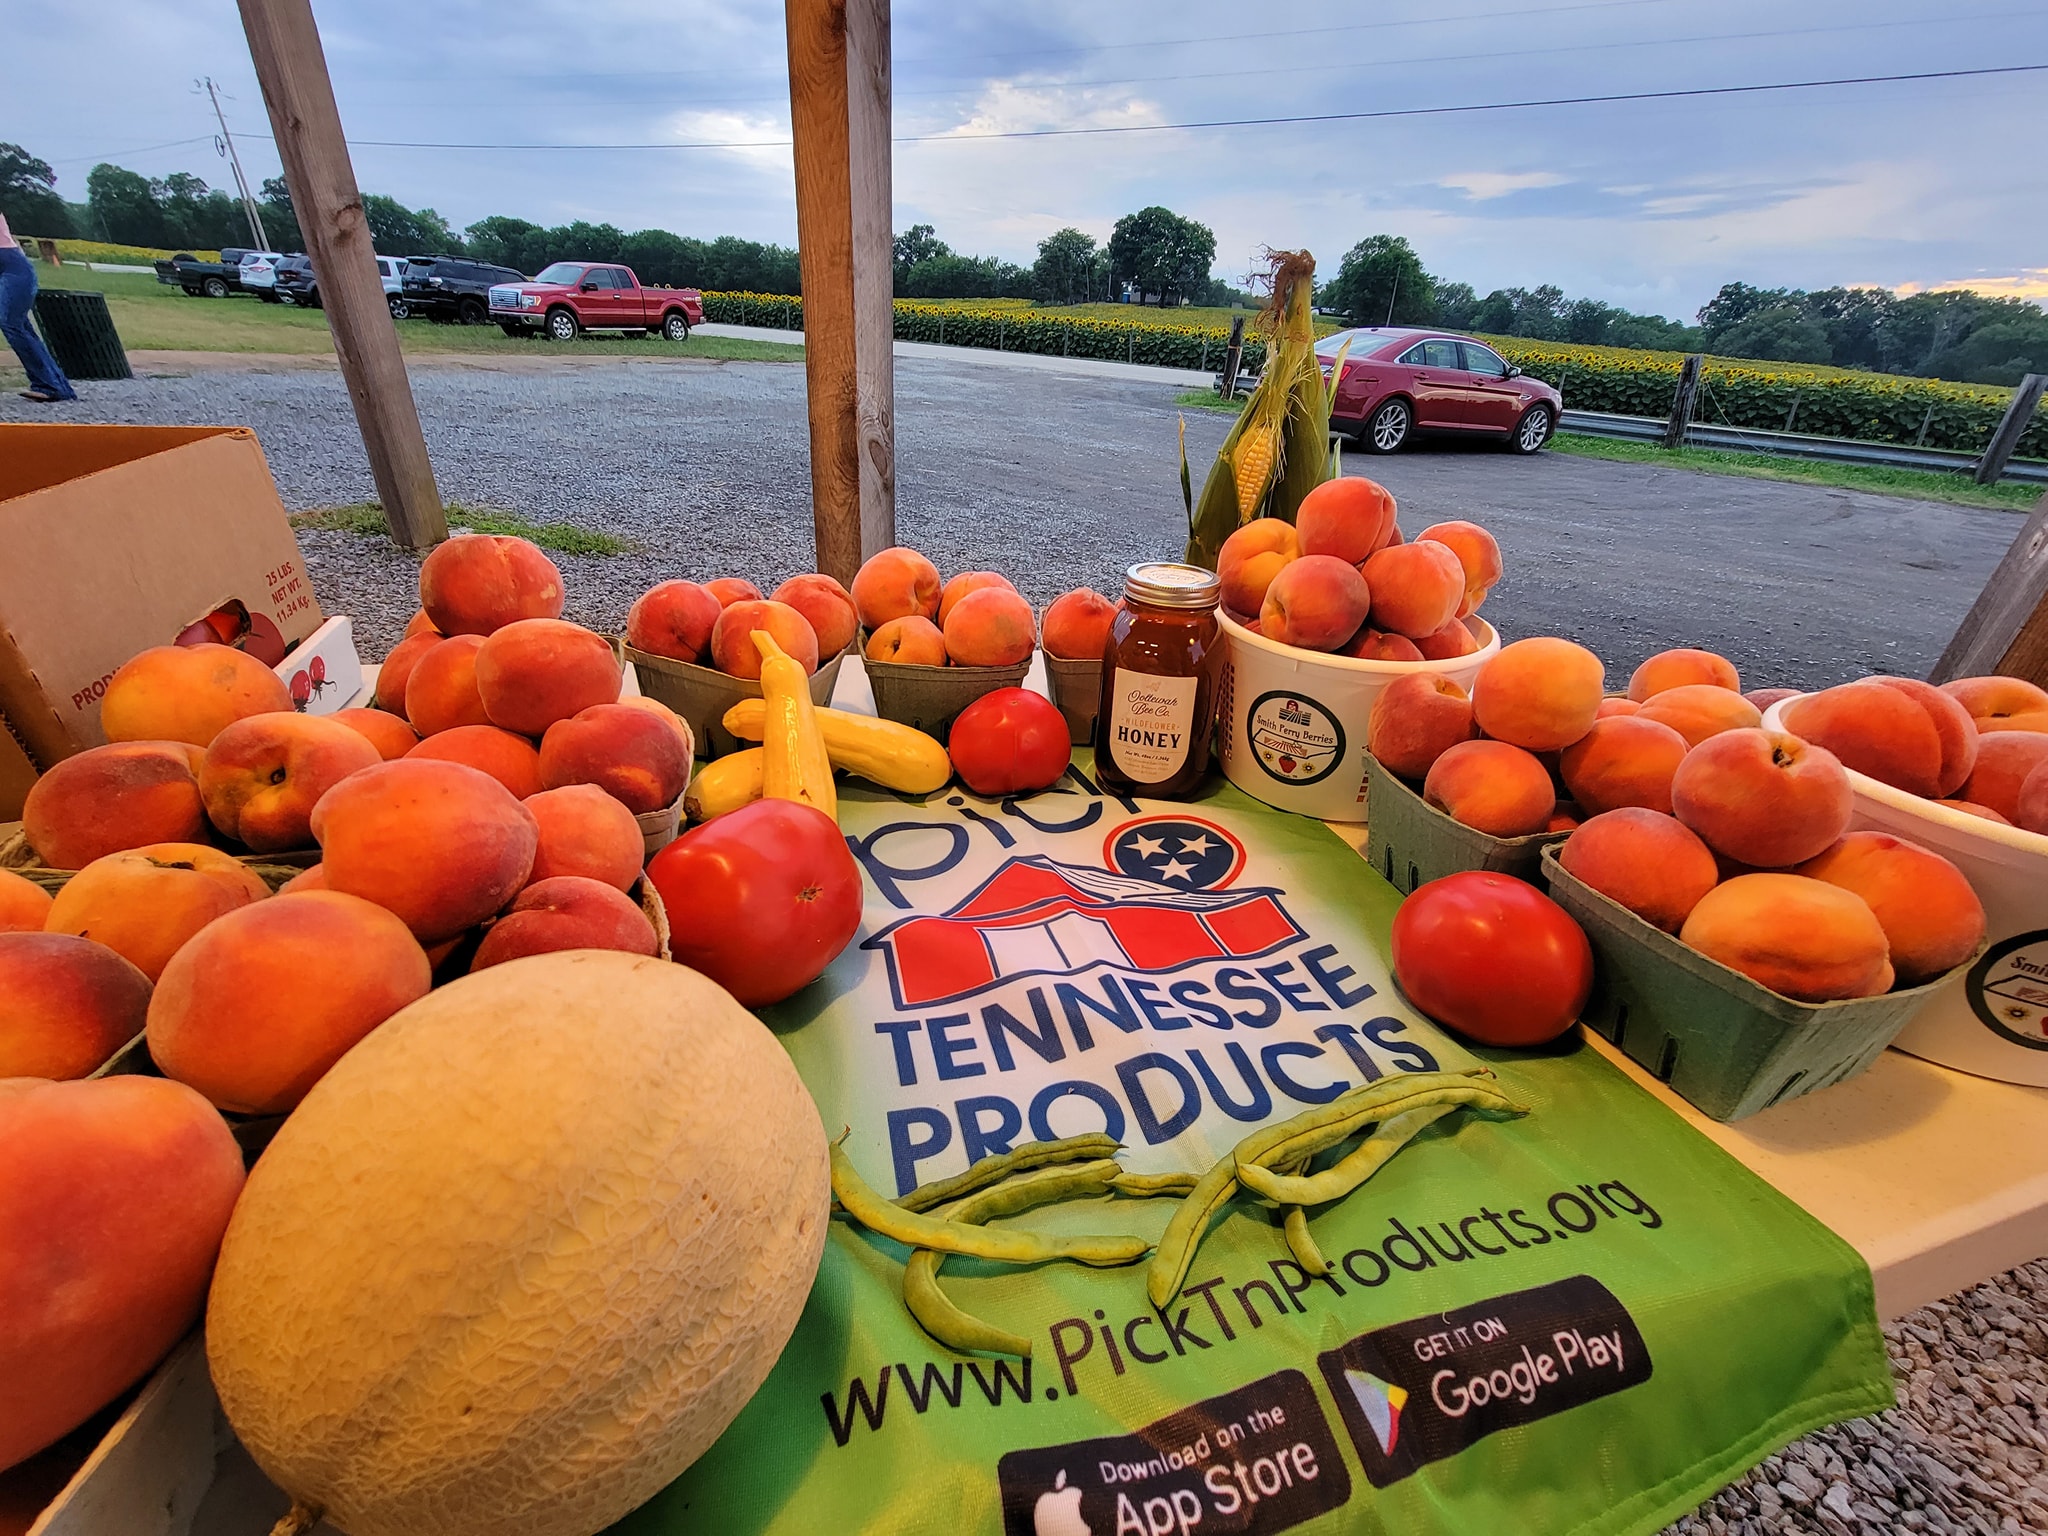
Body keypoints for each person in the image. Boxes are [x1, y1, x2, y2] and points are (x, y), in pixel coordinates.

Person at [0, 212, 77, 404]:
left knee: (11, 324)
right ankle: (58, 386)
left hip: (14, 272)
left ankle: (49, 386)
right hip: (13, 270)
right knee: (21, 328)